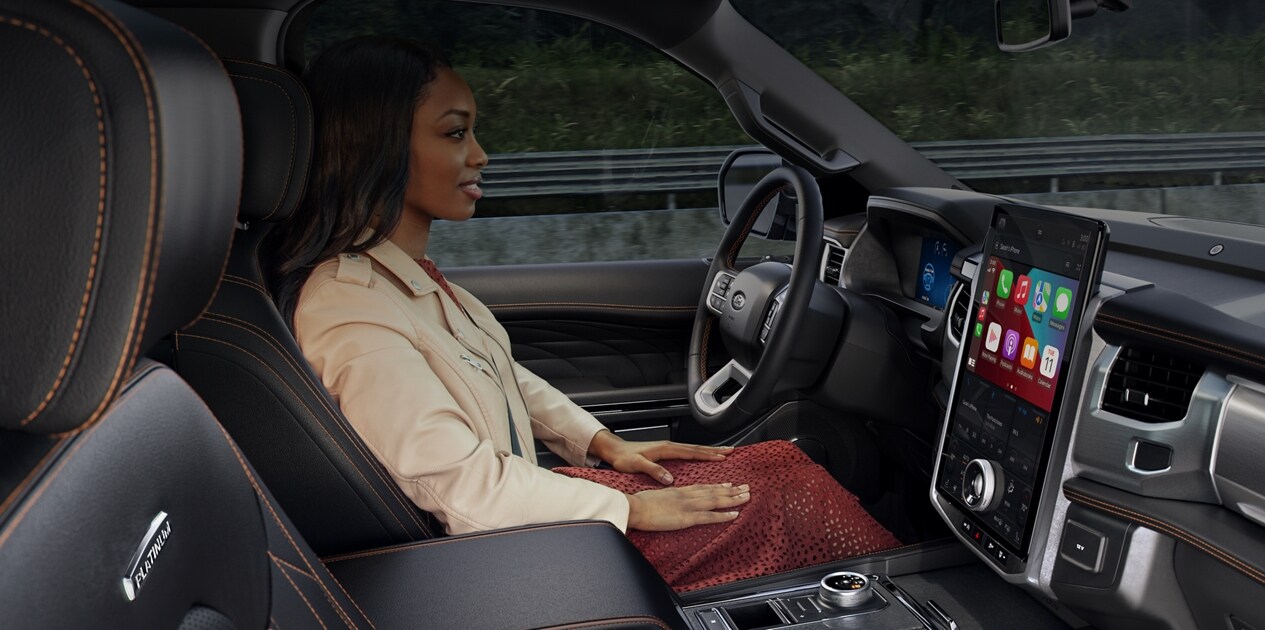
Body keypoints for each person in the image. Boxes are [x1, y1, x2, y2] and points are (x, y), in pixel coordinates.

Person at [267, 37, 898, 592]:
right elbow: (461, 490)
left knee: (779, 466)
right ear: (378, 146)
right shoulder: (347, 308)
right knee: (788, 495)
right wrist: (630, 510)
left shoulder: (399, 278)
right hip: (511, 553)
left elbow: (502, 374)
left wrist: (601, 444)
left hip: (528, 511)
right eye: (456, 133)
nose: (481, 155)